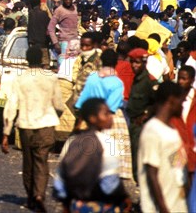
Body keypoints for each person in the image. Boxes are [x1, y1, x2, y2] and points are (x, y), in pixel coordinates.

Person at [2, 46, 64, 213]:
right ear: (43, 60)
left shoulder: (20, 79)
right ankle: (39, 194)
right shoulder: (51, 78)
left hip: (26, 125)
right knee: (41, 161)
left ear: (27, 60)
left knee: (28, 162)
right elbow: (59, 105)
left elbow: (11, 106)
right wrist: (54, 115)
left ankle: (31, 196)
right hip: (46, 124)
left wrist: (6, 133)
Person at [54, 98, 130, 213]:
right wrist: (124, 197)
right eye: (106, 114)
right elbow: (110, 182)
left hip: (76, 205)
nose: (111, 116)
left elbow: (60, 177)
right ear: (93, 118)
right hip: (100, 204)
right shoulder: (107, 142)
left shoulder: (73, 141)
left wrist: (65, 202)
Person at [75, 49, 133, 182]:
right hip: (111, 119)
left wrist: (79, 121)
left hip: (92, 115)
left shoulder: (93, 78)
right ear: (115, 63)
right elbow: (112, 107)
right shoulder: (117, 83)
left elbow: (82, 101)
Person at [138, 81, 188, 213]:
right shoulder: (152, 131)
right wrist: (163, 208)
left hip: (177, 205)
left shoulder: (172, 131)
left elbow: (177, 165)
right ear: (171, 101)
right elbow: (152, 173)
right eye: (181, 102)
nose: (182, 106)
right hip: (159, 208)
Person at [126, 47, 158, 182]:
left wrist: (146, 114)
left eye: (137, 62)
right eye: (132, 62)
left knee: (141, 163)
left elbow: (158, 102)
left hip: (143, 126)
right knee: (134, 161)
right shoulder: (137, 80)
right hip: (133, 125)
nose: (134, 65)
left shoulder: (149, 81)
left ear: (144, 63)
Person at [48, 0, 79, 65]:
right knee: (63, 67)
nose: (68, 1)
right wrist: (55, 43)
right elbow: (50, 28)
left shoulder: (75, 8)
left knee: (74, 67)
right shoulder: (59, 10)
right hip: (64, 43)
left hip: (75, 42)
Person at [27, 0, 50, 67]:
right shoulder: (44, 14)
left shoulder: (31, 14)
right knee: (45, 68)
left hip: (33, 46)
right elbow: (50, 26)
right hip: (43, 45)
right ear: (40, 3)